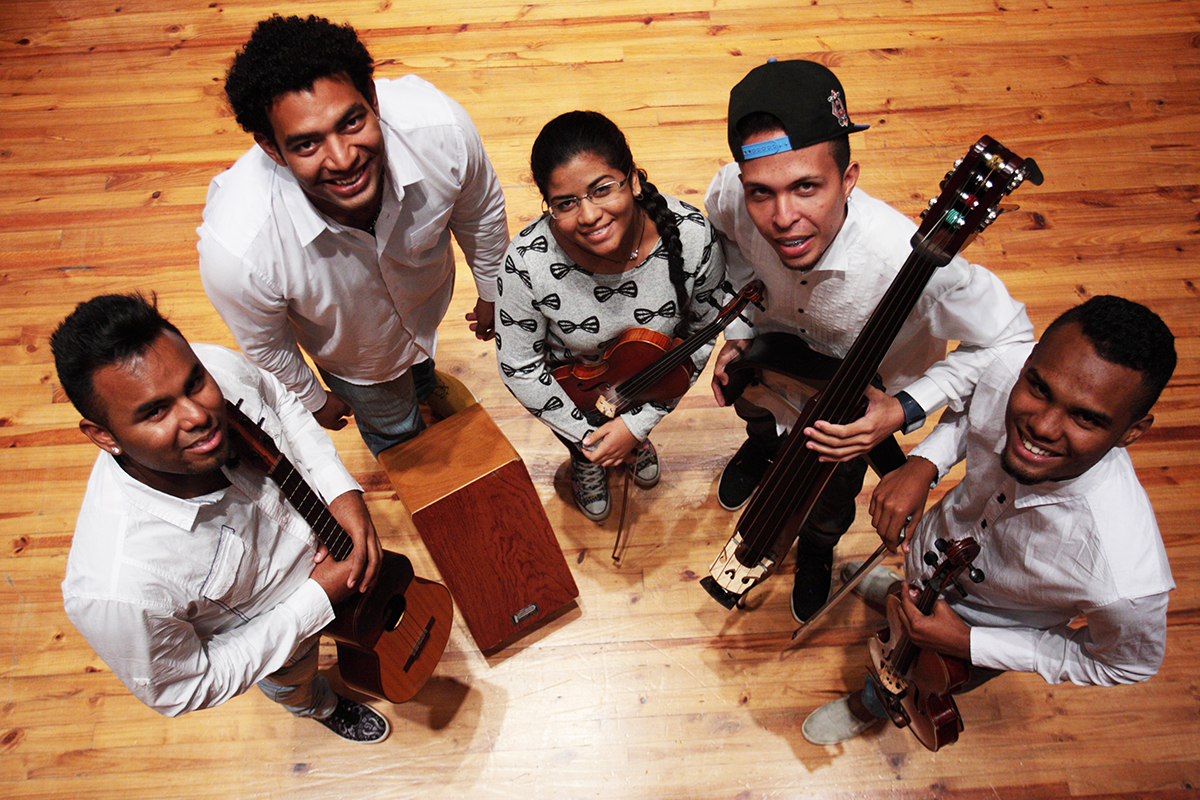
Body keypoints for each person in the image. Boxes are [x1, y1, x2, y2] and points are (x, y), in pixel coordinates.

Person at [705, 59, 1034, 621]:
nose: (784, 217)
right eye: (763, 193)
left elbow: (1013, 340)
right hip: (771, 361)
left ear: (849, 178)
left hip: (857, 410)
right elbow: (729, 251)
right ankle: (762, 451)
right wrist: (738, 328)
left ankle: (816, 550)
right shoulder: (730, 198)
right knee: (752, 409)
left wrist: (904, 408)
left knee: (832, 496)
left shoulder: (912, 260)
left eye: (807, 187)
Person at [801, 296, 1177, 745]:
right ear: (1029, 364)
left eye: (1085, 418)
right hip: (930, 552)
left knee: (909, 674)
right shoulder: (1011, 369)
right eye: (1038, 389)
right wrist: (923, 463)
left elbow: (1123, 663)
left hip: (976, 633)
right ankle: (899, 595)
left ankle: (872, 702)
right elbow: (972, 417)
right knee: (906, 598)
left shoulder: (1125, 580)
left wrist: (970, 645)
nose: (1042, 426)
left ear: (1133, 432)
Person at [53, 293, 391, 743]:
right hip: (281, 646)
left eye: (194, 384)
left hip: (339, 548)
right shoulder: (116, 589)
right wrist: (313, 602)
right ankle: (318, 705)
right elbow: (187, 685)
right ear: (103, 435)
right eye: (156, 411)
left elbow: (280, 400)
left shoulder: (210, 367)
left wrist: (341, 492)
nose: (199, 415)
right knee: (296, 684)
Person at [198, 14, 509, 457]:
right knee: (397, 433)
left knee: (421, 371)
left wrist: (493, 291)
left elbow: (481, 211)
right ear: (272, 148)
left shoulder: (443, 132)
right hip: (356, 363)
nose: (343, 159)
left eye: (351, 123)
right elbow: (266, 343)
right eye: (307, 144)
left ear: (374, 101)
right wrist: (314, 398)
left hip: (424, 309)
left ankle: (423, 383)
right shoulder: (238, 252)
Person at [496, 111, 726, 521]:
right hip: (571, 389)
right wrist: (588, 440)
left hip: (649, 381)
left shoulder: (692, 237)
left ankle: (633, 442)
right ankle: (586, 462)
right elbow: (520, 366)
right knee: (586, 443)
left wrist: (638, 425)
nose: (588, 216)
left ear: (634, 180)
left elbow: (701, 335)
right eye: (565, 203)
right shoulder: (526, 262)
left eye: (602, 189)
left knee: (629, 426)